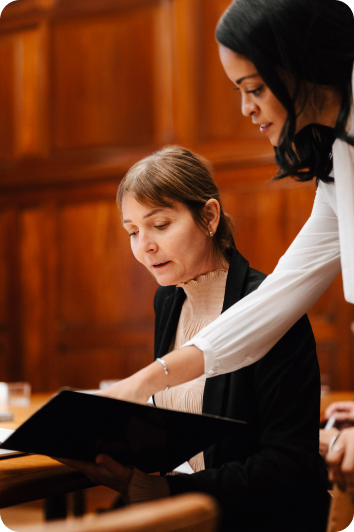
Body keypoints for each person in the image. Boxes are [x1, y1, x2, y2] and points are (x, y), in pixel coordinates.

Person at [95, 0, 354, 495]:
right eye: (132, 231)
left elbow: (283, 465)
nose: (245, 108)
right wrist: (140, 388)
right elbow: (279, 297)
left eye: (254, 88)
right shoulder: (337, 167)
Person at [61, 146, 329, 532]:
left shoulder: (271, 307)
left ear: (209, 216)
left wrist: (162, 491)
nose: (145, 246)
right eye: (133, 231)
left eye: (161, 224)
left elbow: (287, 468)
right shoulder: (168, 298)